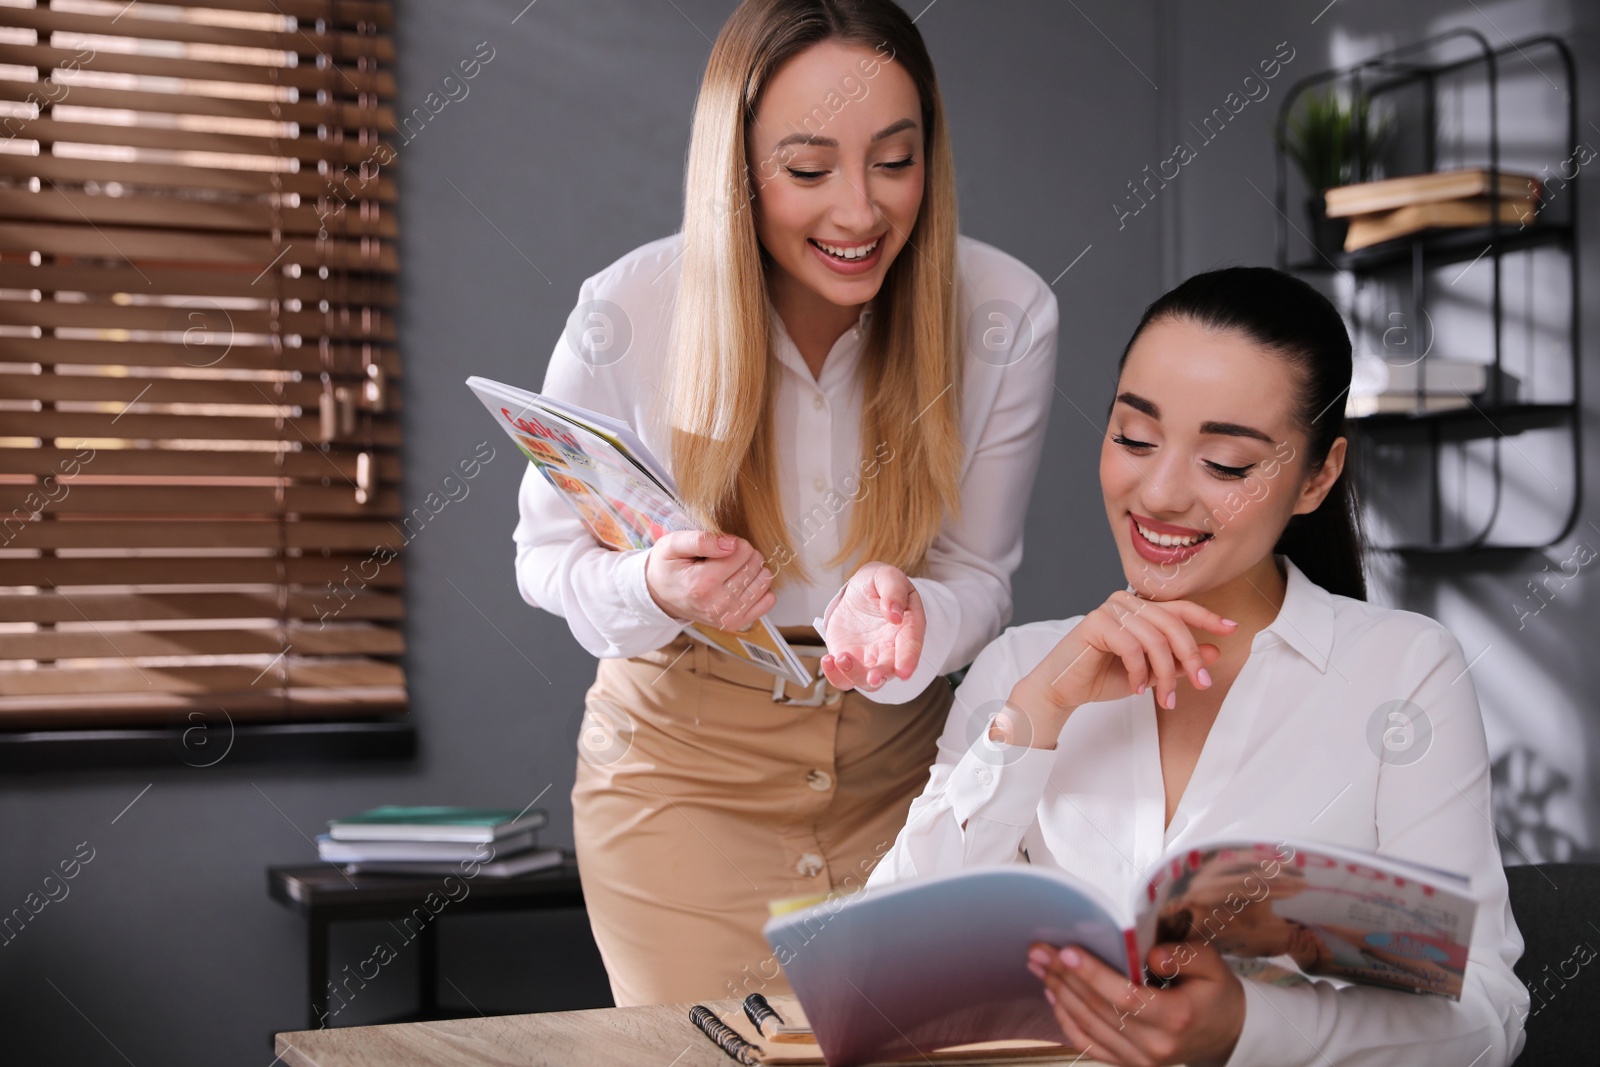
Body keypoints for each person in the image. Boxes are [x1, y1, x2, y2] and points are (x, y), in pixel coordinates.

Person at [512, 0, 1059, 1006]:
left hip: (903, 781)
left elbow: (980, 579)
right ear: (737, 170)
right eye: (808, 171)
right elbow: (542, 558)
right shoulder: (625, 310)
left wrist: (910, 614)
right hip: (678, 786)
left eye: (893, 161)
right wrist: (654, 584)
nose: (858, 212)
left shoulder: (1004, 314)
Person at [865, 267, 1527, 1066]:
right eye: (1134, 438)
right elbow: (878, 977)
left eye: (1226, 464)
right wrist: (1036, 714)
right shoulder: (1021, 666)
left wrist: (1249, 1028)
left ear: (1317, 476)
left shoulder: (1403, 673)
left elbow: (1487, 1016)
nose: (1161, 492)